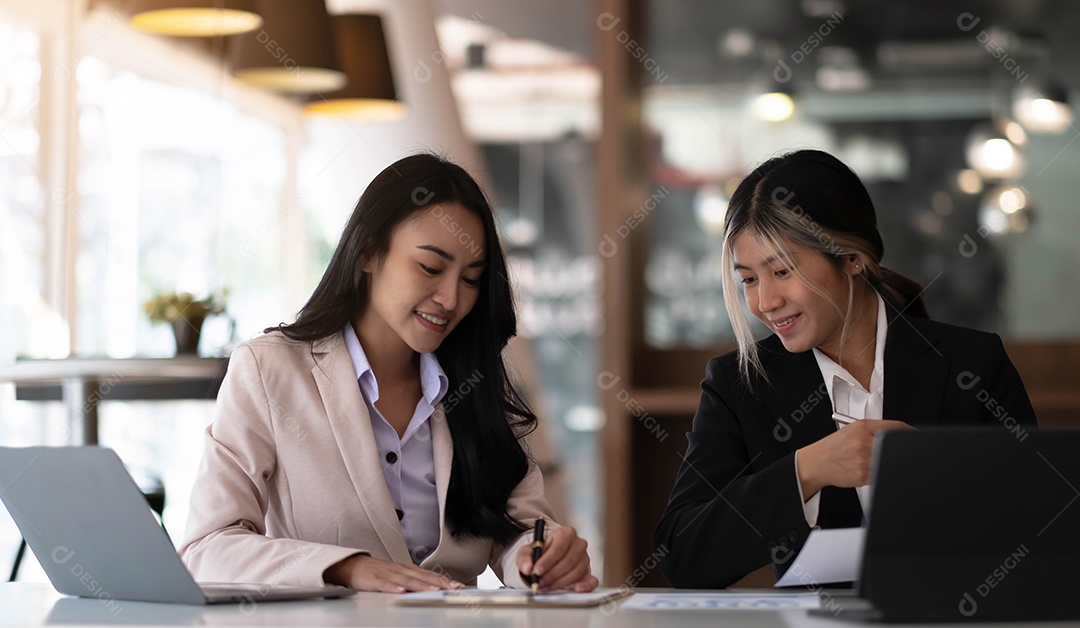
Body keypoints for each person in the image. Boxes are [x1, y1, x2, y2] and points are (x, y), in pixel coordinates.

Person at [180, 153, 598, 594]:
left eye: (471, 279)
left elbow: (515, 529)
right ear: (367, 251)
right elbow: (207, 547)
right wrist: (348, 568)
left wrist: (542, 557)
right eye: (431, 268)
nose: (452, 298)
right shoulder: (270, 371)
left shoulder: (477, 383)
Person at [653, 149, 1037, 589]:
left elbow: (1041, 527)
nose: (765, 302)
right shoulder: (741, 385)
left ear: (851, 258)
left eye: (782, 270)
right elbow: (680, 554)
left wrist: (946, 484)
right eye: (749, 279)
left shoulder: (973, 364)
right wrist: (807, 470)